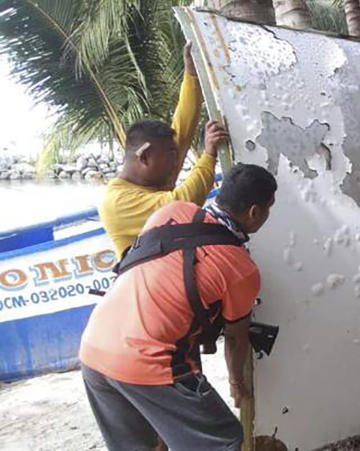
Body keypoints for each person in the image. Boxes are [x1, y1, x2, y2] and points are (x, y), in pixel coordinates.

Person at [79, 163, 278, 450]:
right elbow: (236, 339)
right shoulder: (241, 269)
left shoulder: (169, 212)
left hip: (94, 348)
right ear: (255, 212)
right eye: (269, 208)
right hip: (148, 361)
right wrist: (236, 383)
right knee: (222, 439)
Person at [99, 43, 228, 257]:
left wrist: (191, 74)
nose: (174, 165)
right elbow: (181, 203)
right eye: (170, 157)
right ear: (145, 156)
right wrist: (209, 155)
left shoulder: (153, 177)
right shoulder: (117, 202)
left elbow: (182, 129)